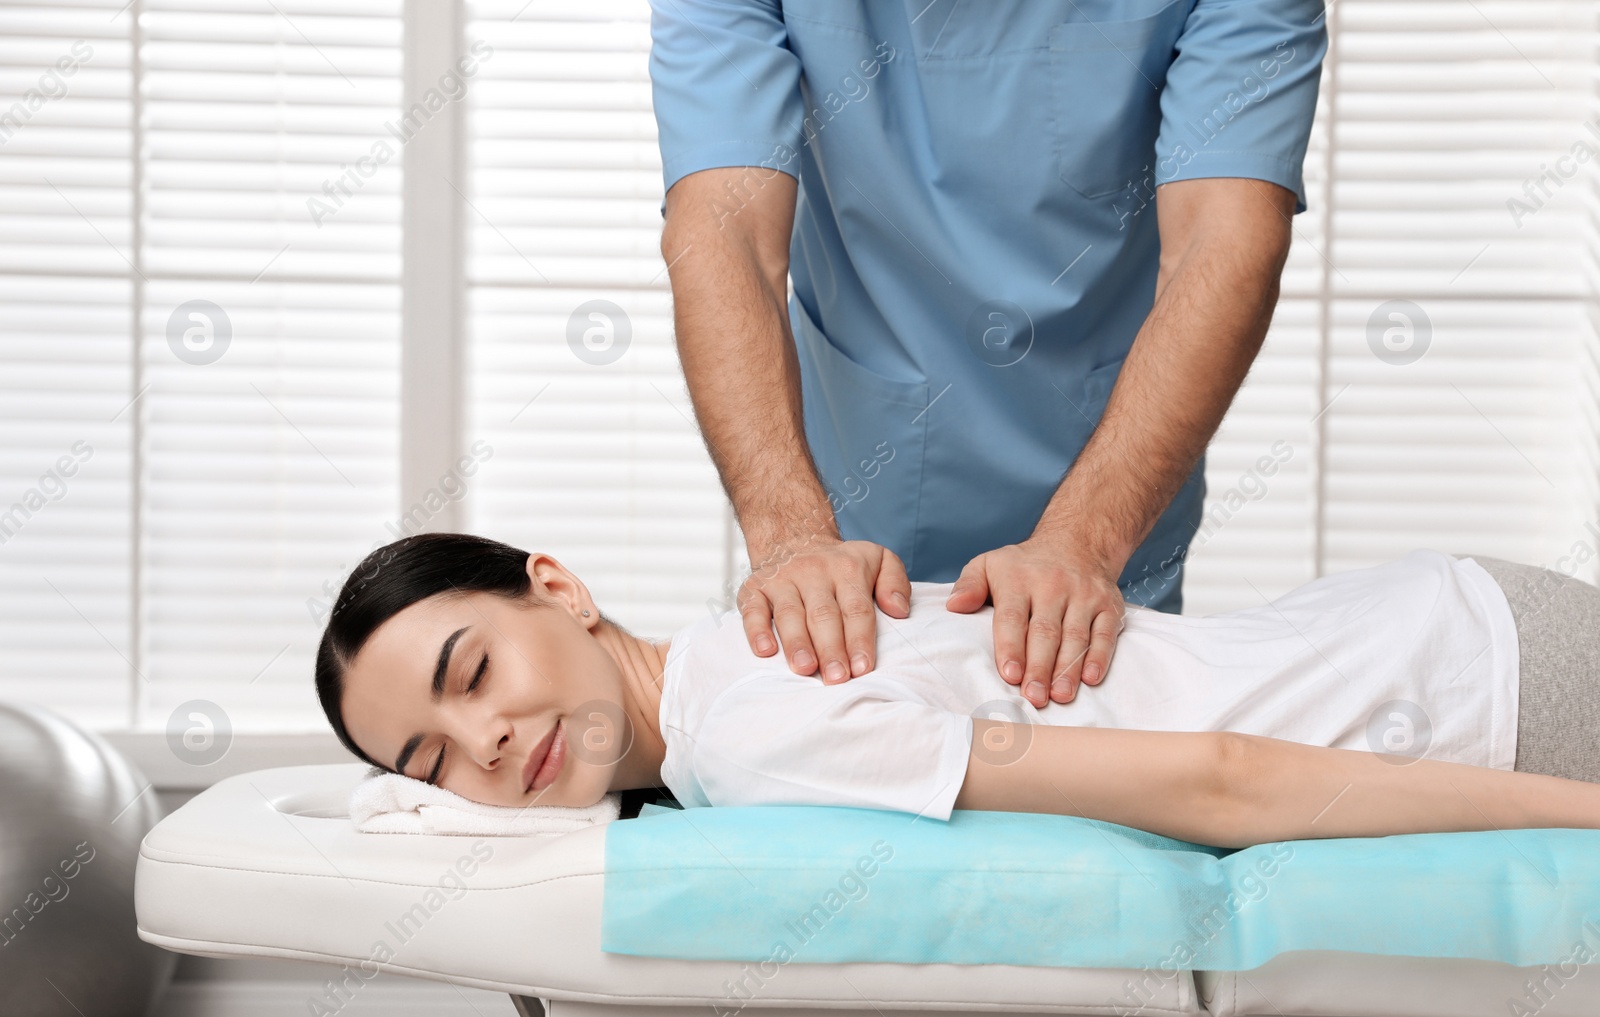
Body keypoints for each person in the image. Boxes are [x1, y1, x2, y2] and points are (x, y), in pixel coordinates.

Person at [647, 0, 1327, 712]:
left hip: (1109, 510)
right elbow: (726, 233)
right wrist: (791, 537)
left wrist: (1085, 542)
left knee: (1091, 782)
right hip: (853, 510)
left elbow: (1224, 244)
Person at [315, 533, 1600, 850]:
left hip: (1478, 694)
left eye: (470, 670)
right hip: (1435, 624)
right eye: (431, 764)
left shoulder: (753, 731)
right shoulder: (741, 651)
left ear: (559, 584)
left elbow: (1219, 774)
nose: (482, 737)